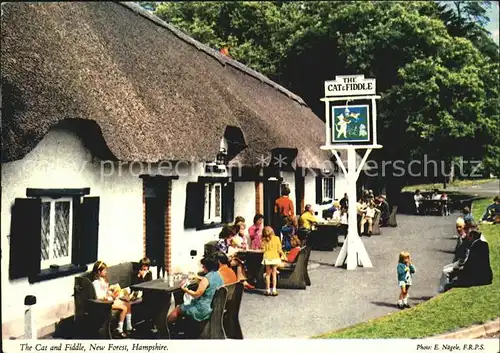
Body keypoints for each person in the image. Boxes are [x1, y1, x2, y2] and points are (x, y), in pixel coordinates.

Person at [167, 256, 223, 324]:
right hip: (212, 306)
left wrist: (185, 289)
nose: (202, 267)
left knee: (178, 309)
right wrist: (197, 278)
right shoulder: (218, 275)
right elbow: (209, 284)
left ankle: (165, 328)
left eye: (203, 266)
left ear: (207, 267)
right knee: (184, 305)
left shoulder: (206, 279)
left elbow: (196, 294)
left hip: (202, 310)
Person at [91, 261, 132, 338]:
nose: (106, 272)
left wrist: (112, 291)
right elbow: (99, 296)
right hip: (105, 303)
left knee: (128, 304)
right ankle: (119, 329)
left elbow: (107, 291)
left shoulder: (103, 280)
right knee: (124, 307)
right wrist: (109, 296)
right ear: (99, 272)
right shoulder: (96, 283)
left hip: (110, 299)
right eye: (104, 270)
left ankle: (129, 327)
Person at [261, 226, 286, 296]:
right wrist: (284, 256)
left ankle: (267, 290)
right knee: (274, 274)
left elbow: (263, 249)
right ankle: (274, 290)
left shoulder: (264, 240)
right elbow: (279, 250)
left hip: (267, 257)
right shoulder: (277, 238)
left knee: (268, 274)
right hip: (275, 257)